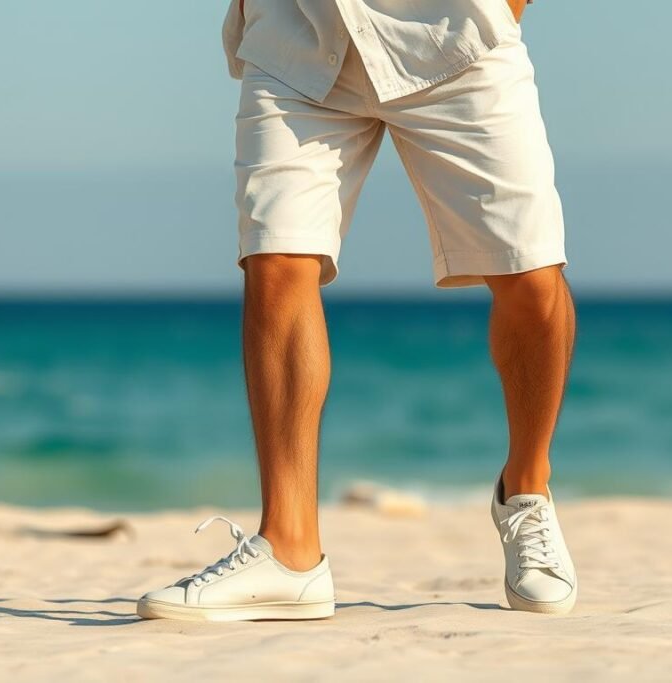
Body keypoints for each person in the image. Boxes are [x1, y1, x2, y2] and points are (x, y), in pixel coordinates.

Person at [137, 0, 577, 622]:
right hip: (296, 40)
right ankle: (290, 551)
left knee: (530, 273)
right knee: (276, 262)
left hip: (454, 34)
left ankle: (526, 487)